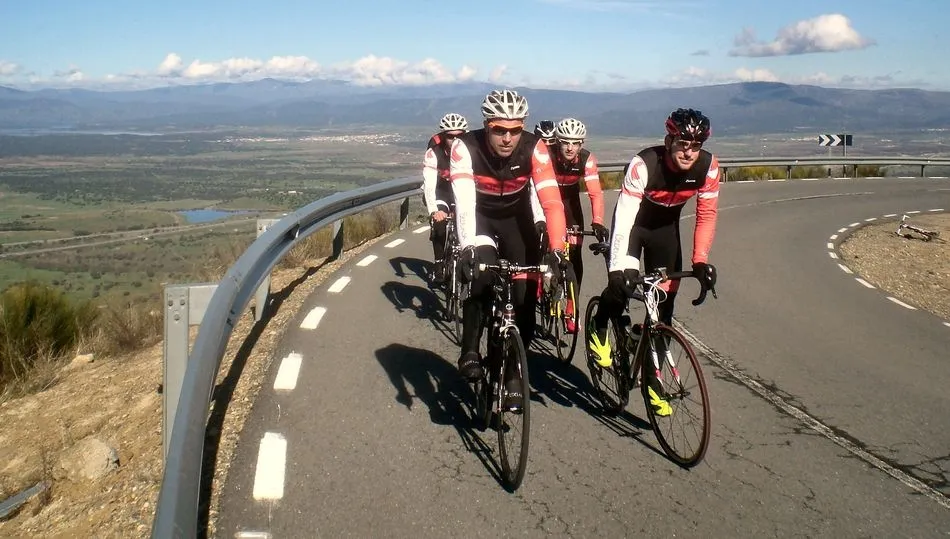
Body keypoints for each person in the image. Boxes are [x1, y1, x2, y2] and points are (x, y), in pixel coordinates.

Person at [588, 108, 720, 416]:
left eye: (696, 144)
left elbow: (707, 215)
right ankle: (599, 324)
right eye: (682, 142)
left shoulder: (708, 167)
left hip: (665, 233)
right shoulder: (644, 164)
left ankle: (652, 382)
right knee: (621, 286)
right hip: (634, 229)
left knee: (662, 315)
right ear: (669, 140)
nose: (689, 150)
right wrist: (619, 265)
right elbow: (624, 217)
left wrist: (700, 261)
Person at [450, 89, 568, 410]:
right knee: (482, 277)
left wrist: (557, 250)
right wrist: (466, 248)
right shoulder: (466, 147)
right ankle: (471, 349)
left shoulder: (535, 148)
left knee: (526, 300)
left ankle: (513, 368)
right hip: (481, 220)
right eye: (499, 130)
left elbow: (552, 201)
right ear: (486, 125)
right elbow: (463, 202)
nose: (507, 138)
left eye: (514, 130)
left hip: (518, 221)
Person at [550, 117, 608, 333]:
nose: (569, 147)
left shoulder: (586, 159)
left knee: (574, 256)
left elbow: (595, 193)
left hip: (571, 203)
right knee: (541, 242)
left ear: (581, 144)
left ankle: (572, 308)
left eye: (575, 143)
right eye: (565, 142)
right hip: (547, 199)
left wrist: (598, 221)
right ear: (557, 142)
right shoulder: (546, 155)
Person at [422, 113, 468, 284]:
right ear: (443, 135)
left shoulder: (471, 149)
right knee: (440, 224)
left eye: (459, 136)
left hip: (461, 191)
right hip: (441, 192)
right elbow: (429, 185)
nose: (454, 139)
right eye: (450, 136)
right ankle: (439, 263)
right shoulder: (433, 152)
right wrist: (434, 210)